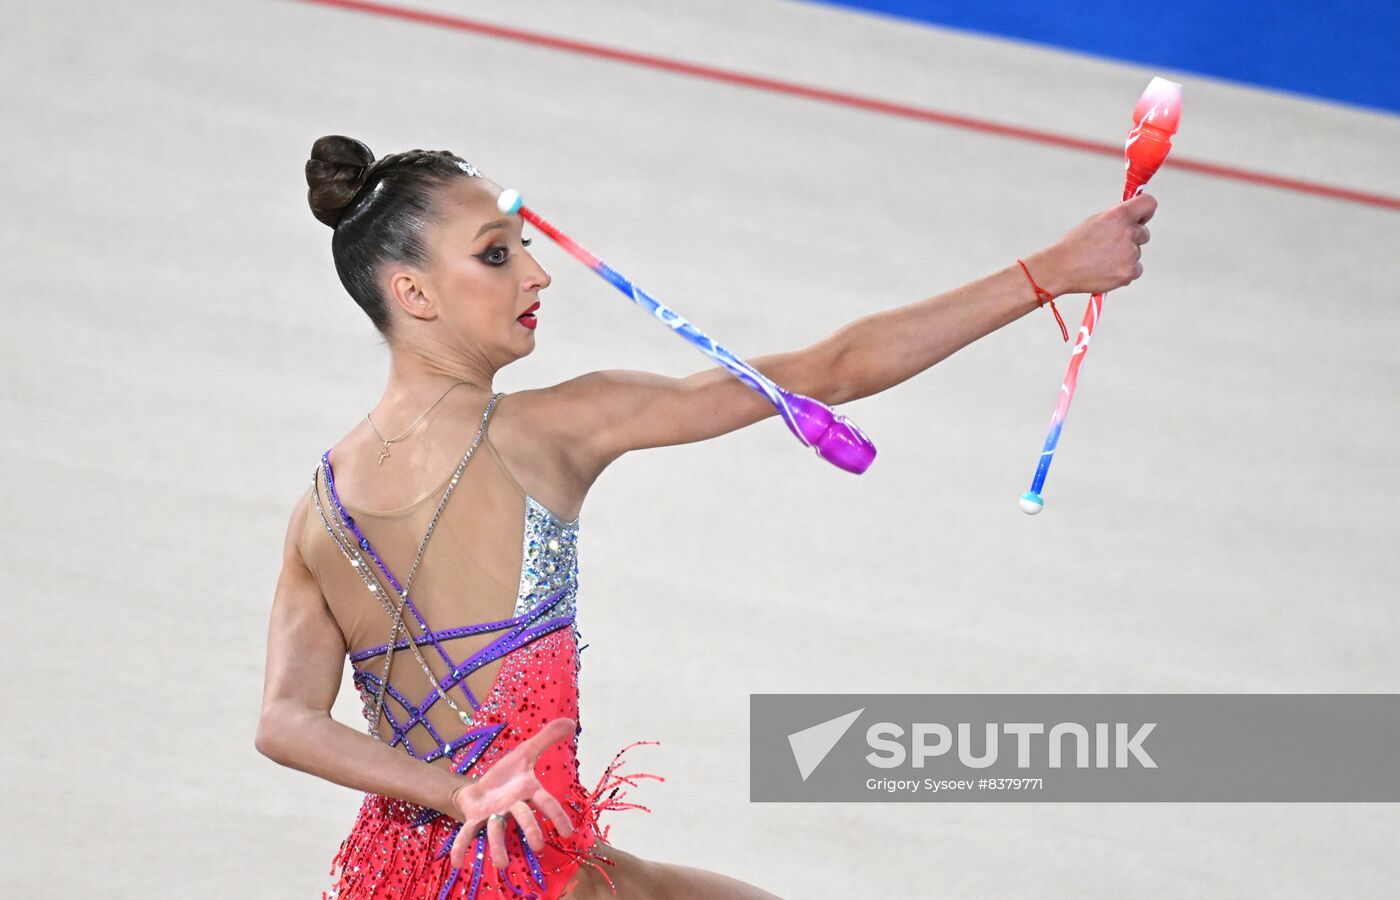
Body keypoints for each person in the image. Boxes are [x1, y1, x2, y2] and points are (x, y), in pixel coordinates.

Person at [256, 134, 1156, 899]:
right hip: (522, 874)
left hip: (415, 876)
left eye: (526, 245)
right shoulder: (552, 430)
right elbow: (829, 369)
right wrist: (1052, 272)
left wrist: (452, 797)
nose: (535, 273)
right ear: (414, 294)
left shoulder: (320, 506)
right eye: (496, 254)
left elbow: (287, 721)